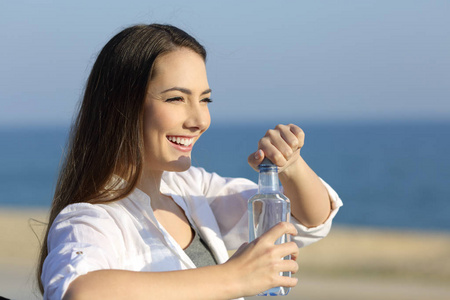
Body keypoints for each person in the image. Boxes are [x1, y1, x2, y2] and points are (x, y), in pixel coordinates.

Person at [37, 24, 342, 300]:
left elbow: (308, 219)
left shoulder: (191, 188)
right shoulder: (89, 220)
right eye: (176, 99)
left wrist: (290, 167)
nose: (199, 120)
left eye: (204, 99)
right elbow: (79, 293)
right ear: (123, 106)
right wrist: (232, 278)